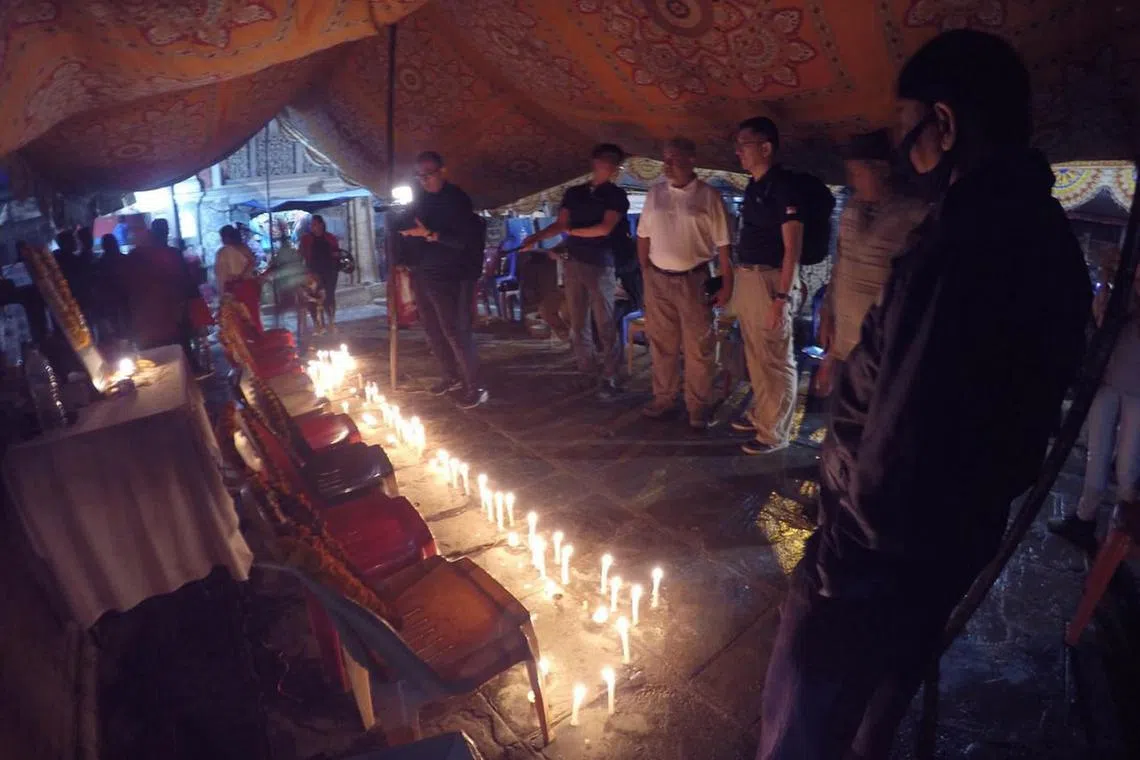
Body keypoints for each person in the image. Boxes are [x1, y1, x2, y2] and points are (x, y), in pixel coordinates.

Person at [758, 30, 1091, 760]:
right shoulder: (1044, 233)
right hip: (954, 533)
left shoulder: (965, 244)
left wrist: (840, 564)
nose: (901, 148)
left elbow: (907, 431)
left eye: (905, 125)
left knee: (810, 715)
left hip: (879, 554)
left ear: (943, 122)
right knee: (880, 702)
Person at [816, 130, 928, 395]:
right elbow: (840, 263)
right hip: (844, 337)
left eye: (858, 172)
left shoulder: (914, 214)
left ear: (882, 170)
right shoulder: (851, 209)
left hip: (881, 343)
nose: (852, 181)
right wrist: (827, 312)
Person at [636, 137, 733, 429]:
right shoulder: (655, 194)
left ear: (692, 160)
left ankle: (697, 406)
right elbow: (643, 236)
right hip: (658, 279)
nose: (668, 165)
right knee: (662, 344)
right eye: (665, 159)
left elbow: (724, 244)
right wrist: (646, 271)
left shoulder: (709, 196)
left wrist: (727, 283)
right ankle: (664, 398)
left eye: (675, 158)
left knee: (698, 347)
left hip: (694, 280)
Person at [522, 143, 630, 397]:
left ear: (616, 167)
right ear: (595, 162)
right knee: (578, 321)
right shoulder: (575, 193)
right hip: (573, 261)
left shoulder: (616, 195)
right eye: (602, 159)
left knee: (605, 322)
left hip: (601, 263)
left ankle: (611, 374)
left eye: (611, 161)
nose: (606, 165)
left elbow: (604, 229)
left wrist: (572, 232)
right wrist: (535, 238)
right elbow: (560, 224)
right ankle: (586, 369)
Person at [1049, 254, 1140, 553]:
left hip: (1134, 390)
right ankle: (1085, 519)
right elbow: (1101, 319)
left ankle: (1120, 536)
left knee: (1127, 467)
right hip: (1108, 379)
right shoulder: (1123, 294)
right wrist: (1108, 280)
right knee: (1097, 454)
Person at [731, 116, 806, 454]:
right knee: (757, 355)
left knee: (775, 358)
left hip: (771, 279)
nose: (738, 152)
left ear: (765, 148)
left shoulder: (783, 188)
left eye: (744, 145)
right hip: (750, 277)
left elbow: (793, 249)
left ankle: (775, 433)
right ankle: (763, 414)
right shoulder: (755, 186)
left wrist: (781, 297)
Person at [397, 150, 488, 409]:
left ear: (442, 172)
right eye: (419, 176)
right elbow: (408, 224)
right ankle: (451, 376)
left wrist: (430, 234)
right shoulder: (421, 199)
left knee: (455, 330)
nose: (424, 180)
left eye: (428, 174)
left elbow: (461, 240)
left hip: (453, 274)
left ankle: (475, 386)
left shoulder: (457, 199)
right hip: (425, 271)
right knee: (432, 327)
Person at [215, 224, 263, 331]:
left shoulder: (223, 252)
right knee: (253, 318)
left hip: (234, 289)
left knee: (238, 323)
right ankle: (259, 338)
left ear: (225, 237)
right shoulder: (245, 248)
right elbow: (253, 264)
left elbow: (221, 276)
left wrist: (222, 295)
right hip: (249, 287)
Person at [299, 215, 341, 329]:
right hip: (313, 273)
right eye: (311, 225)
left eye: (315, 224)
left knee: (329, 296)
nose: (312, 227)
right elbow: (301, 254)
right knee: (314, 298)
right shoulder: (306, 239)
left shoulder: (330, 237)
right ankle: (317, 324)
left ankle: (331, 321)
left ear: (321, 225)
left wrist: (336, 256)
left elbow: (337, 252)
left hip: (329, 271)